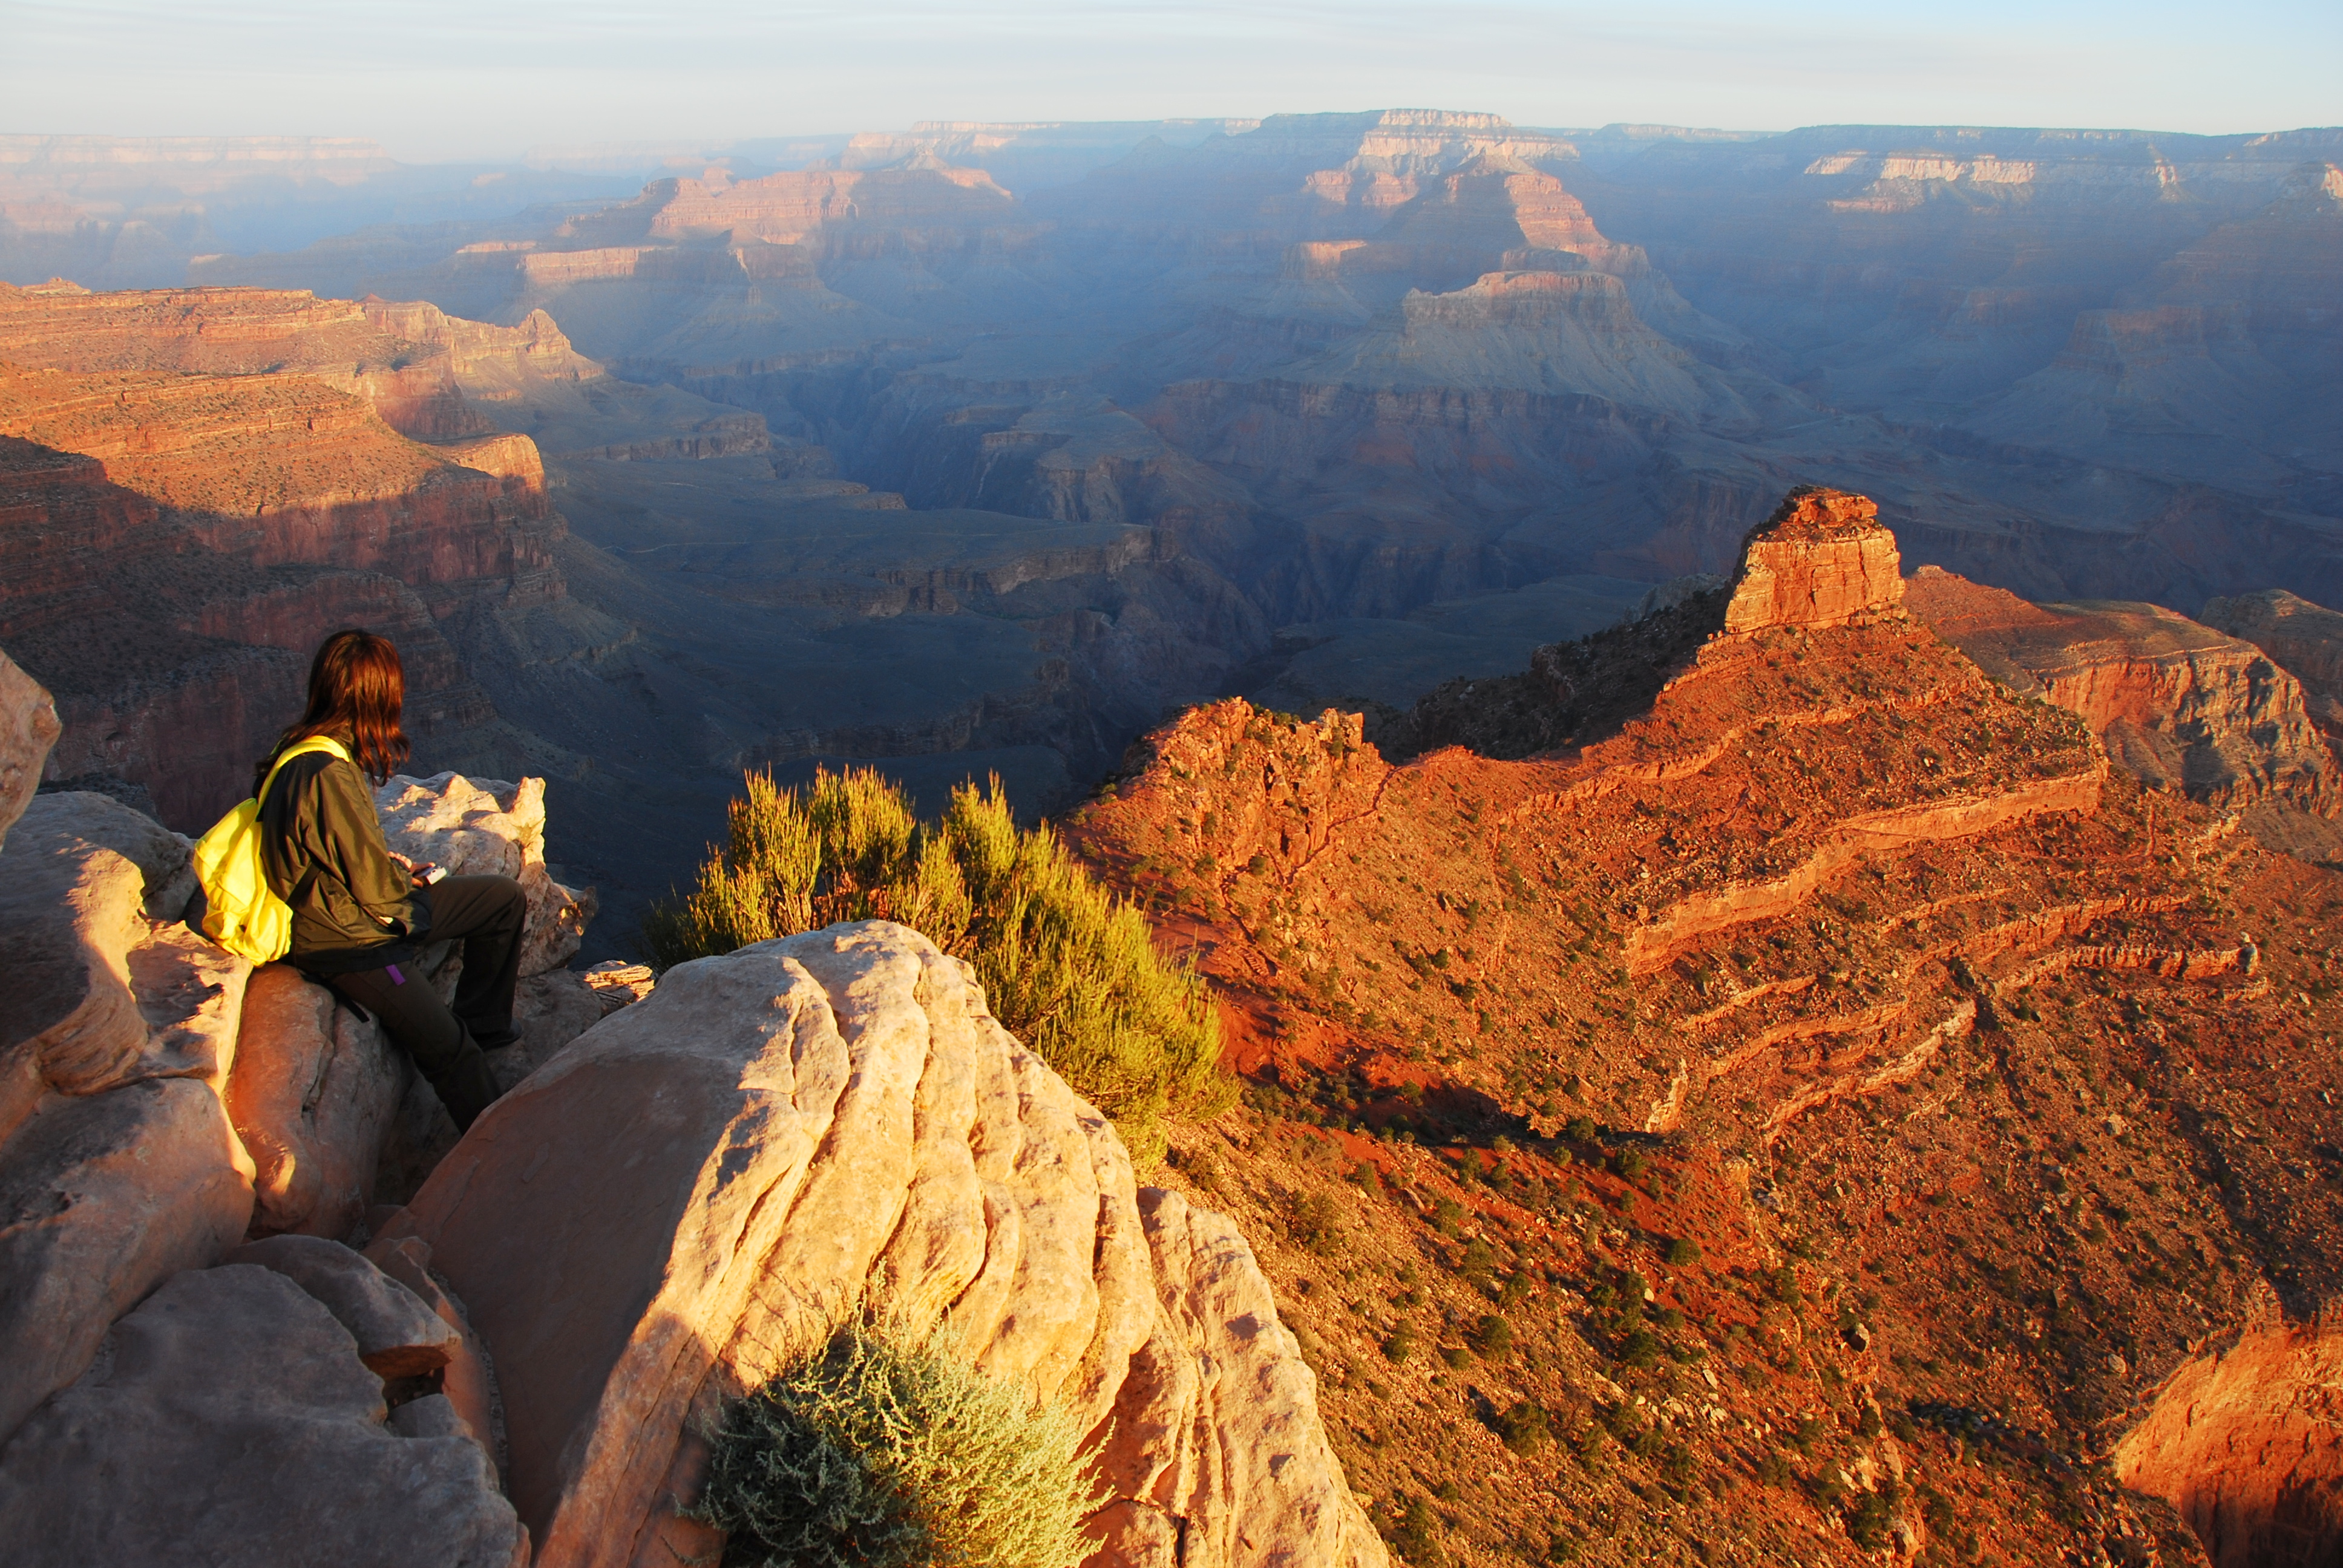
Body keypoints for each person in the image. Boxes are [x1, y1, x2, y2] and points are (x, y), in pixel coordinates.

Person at [255, 629, 525, 1131]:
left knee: (502, 900)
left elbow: (342, 854)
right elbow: (375, 893)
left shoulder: (304, 749)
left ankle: (487, 1025)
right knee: (450, 1049)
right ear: (374, 698)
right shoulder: (326, 774)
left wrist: (399, 870)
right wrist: (410, 900)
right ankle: (500, 1148)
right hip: (350, 943)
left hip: (360, 908)